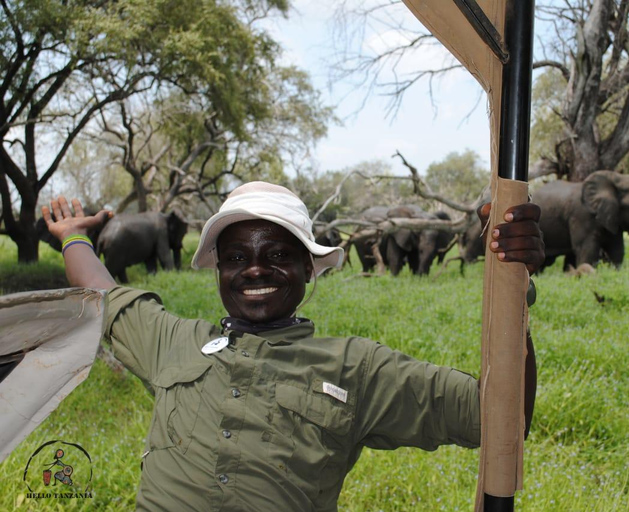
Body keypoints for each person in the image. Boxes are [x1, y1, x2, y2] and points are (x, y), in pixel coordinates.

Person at [42, 181, 545, 512]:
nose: (255, 269)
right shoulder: (171, 340)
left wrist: (512, 289)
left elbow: (499, 418)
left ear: (309, 267)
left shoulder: (357, 367)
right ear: (219, 269)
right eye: (237, 256)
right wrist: (71, 237)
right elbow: (102, 293)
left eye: (278, 254)